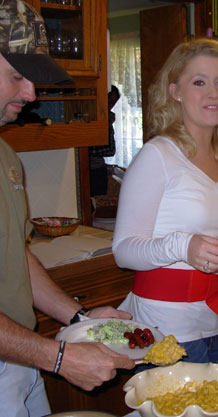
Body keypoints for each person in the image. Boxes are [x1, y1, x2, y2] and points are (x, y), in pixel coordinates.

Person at [0, 1, 135, 416]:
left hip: (20, 359)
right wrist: (58, 358)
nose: (31, 93)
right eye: (18, 76)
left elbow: (16, 257)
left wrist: (79, 318)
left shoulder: (5, 155)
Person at [112, 38, 218, 363]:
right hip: (165, 329)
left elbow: (208, 234)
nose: (213, 93)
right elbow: (123, 251)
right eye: (199, 82)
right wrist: (183, 246)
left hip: (211, 319)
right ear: (175, 90)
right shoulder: (157, 155)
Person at [89, 85, 121, 197]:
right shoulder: (90, 117)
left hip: (97, 170)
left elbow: (111, 150)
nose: (110, 105)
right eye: (109, 101)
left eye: (113, 103)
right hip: (90, 171)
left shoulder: (107, 119)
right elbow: (87, 149)